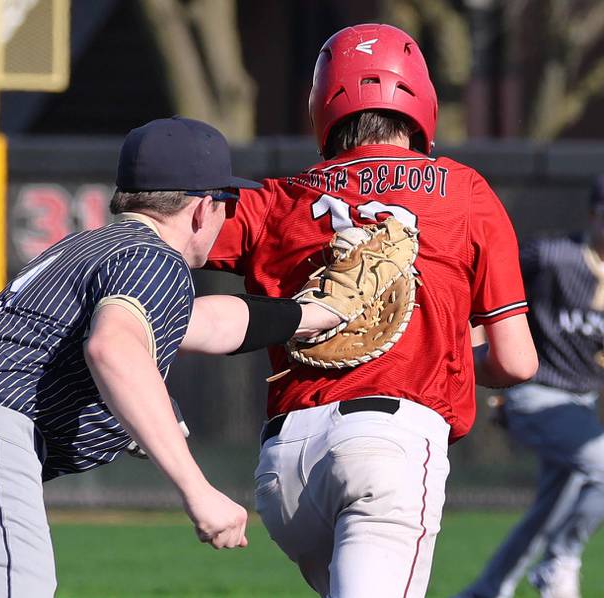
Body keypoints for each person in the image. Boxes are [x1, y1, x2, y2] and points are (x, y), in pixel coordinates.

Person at [0, 116, 343, 597]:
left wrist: (309, 314)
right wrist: (198, 490)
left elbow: (202, 322)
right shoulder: (154, 259)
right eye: (227, 201)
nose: (227, 216)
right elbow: (113, 349)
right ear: (201, 209)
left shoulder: (88, 248)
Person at [205, 24, 538, 598]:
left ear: (322, 108)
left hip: (284, 466)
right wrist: (438, 345)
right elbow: (516, 360)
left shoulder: (277, 198)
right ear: (422, 104)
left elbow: (170, 226)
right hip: (388, 448)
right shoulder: (464, 191)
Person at [455, 178, 604, 598]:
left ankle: (487, 589)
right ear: (594, 213)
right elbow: (484, 280)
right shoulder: (554, 257)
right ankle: (562, 558)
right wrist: (480, 353)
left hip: (580, 407)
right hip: (534, 395)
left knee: (548, 511)